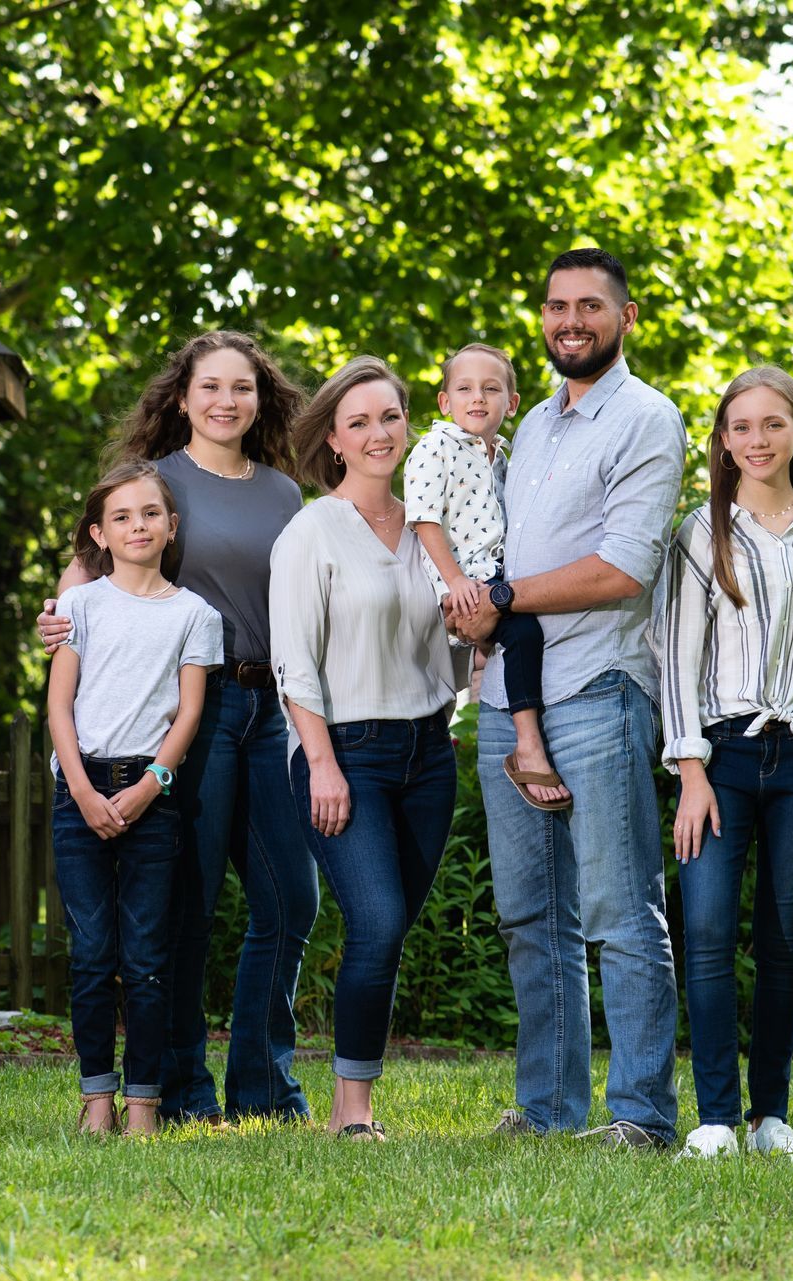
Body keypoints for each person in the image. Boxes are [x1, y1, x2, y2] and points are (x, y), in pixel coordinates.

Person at [38, 331, 316, 1124]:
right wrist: (57, 619)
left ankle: (262, 1083)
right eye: (210, 387)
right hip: (194, 712)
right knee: (184, 909)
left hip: (273, 710)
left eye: (243, 388)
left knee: (291, 899)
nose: (227, 401)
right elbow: (90, 566)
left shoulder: (283, 495)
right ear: (183, 397)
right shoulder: (163, 483)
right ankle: (184, 1088)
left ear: (261, 398)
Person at [450, 247, 686, 1150]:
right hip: (514, 696)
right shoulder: (535, 425)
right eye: (556, 306)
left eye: (591, 305)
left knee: (620, 913)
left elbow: (624, 570)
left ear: (627, 318)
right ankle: (549, 1108)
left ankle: (641, 1115)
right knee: (529, 916)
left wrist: (500, 598)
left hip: (597, 689)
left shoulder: (647, 419)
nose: (570, 321)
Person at [655, 367, 793, 1160]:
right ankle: (714, 1118)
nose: (757, 440)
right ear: (723, 440)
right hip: (721, 756)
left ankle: (771, 1115)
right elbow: (675, 656)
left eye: (774, 425)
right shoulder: (703, 531)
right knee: (704, 929)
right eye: (741, 427)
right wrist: (691, 770)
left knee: (783, 936)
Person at [270, 356, 459, 1140]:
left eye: (390, 416)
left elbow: (453, 647)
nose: (379, 433)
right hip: (343, 750)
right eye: (360, 422)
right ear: (336, 441)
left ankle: (356, 1095)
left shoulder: (429, 528)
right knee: (377, 923)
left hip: (428, 752)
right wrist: (321, 763)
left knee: (391, 929)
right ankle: (354, 1112)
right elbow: (294, 660)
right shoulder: (312, 530)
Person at [48, 462, 224, 1135]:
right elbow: (59, 707)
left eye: (150, 514)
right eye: (121, 517)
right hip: (81, 790)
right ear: (100, 532)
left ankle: (144, 1102)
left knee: (146, 958)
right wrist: (83, 790)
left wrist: (152, 786)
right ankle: (97, 1099)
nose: (138, 526)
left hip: (154, 798)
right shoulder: (80, 606)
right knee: (93, 953)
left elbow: (187, 715)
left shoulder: (194, 615)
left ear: (171, 525)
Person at [405, 343, 568, 810]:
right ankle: (527, 744)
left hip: (497, 573)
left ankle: (487, 675)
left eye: (491, 389)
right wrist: (455, 581)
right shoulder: (435, 446)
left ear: (511, 404)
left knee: (527, 630)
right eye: (465, 388)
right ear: (445, 402)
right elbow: (424, 519)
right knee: (522, 635)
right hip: (462, 578)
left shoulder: (505, 455)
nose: (478, 397)